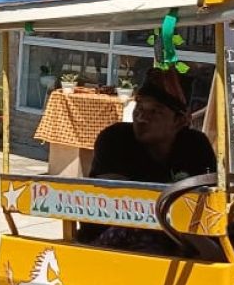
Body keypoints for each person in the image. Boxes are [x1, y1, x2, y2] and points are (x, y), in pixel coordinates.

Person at [79, 67, 216, 251]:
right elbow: (118, 195)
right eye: (139, 108)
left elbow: (207, 197)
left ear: (179, 121)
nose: (142, 117)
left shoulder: (196, 144)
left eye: (155, 112)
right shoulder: (115, 138)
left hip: (180, 233)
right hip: (112, 234)